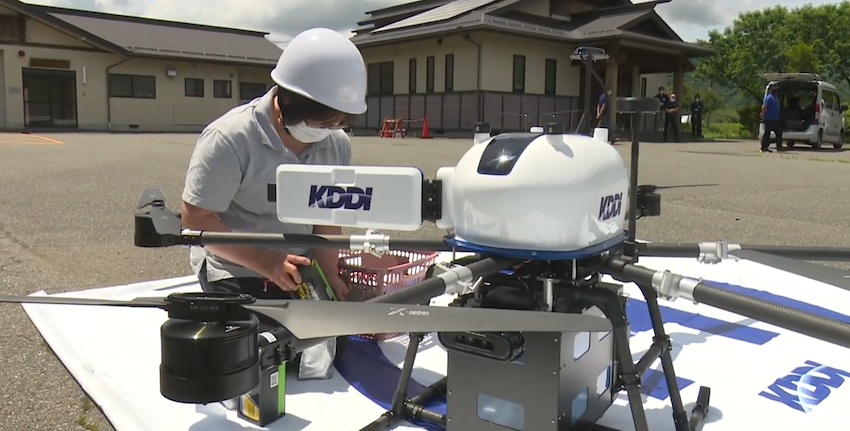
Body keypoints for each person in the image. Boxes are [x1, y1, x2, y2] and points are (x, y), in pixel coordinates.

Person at [180, 27, 365, 301]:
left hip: (300, 268)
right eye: (319, 123)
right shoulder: (230, 137)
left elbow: (328, 220)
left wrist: (331, 277)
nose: (328, 130)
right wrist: (265, 262)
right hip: (236, 267)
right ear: (285, 99)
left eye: (337, 123)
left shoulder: (336, 143)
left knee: (324, 338)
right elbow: (195, 218)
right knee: (255, 338)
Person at [760, 83, 783, 153]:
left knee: (777, 133)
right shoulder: (769, 97)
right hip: (769, 118)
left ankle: (777, 147)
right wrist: (762, 114)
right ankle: (764, 147)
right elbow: (764, 107)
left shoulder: (775, 98)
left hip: (775, 118)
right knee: (768, 133)